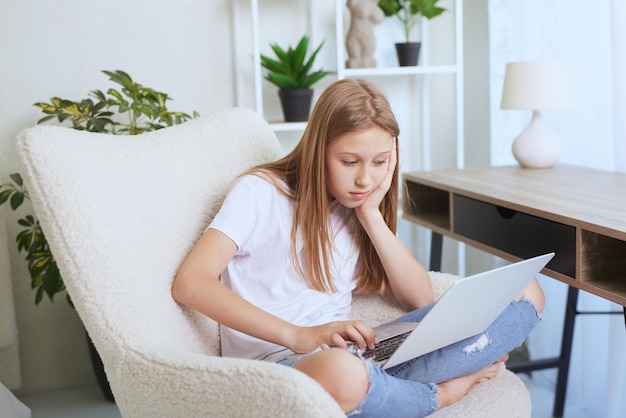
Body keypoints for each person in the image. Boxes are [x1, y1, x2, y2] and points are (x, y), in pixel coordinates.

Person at [172, 79, 545, 417]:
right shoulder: (259, 193)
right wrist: (297, 335)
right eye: (349, 161)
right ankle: (445, 392)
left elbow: (420, 298)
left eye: (380, 162)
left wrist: (371, 216)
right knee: (344, 374)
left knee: (527, 291)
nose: (365, 178)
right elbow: (191, 282)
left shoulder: (357, 204)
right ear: (319, 150)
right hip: (288, 364)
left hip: (366, 354)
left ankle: (397, 391)